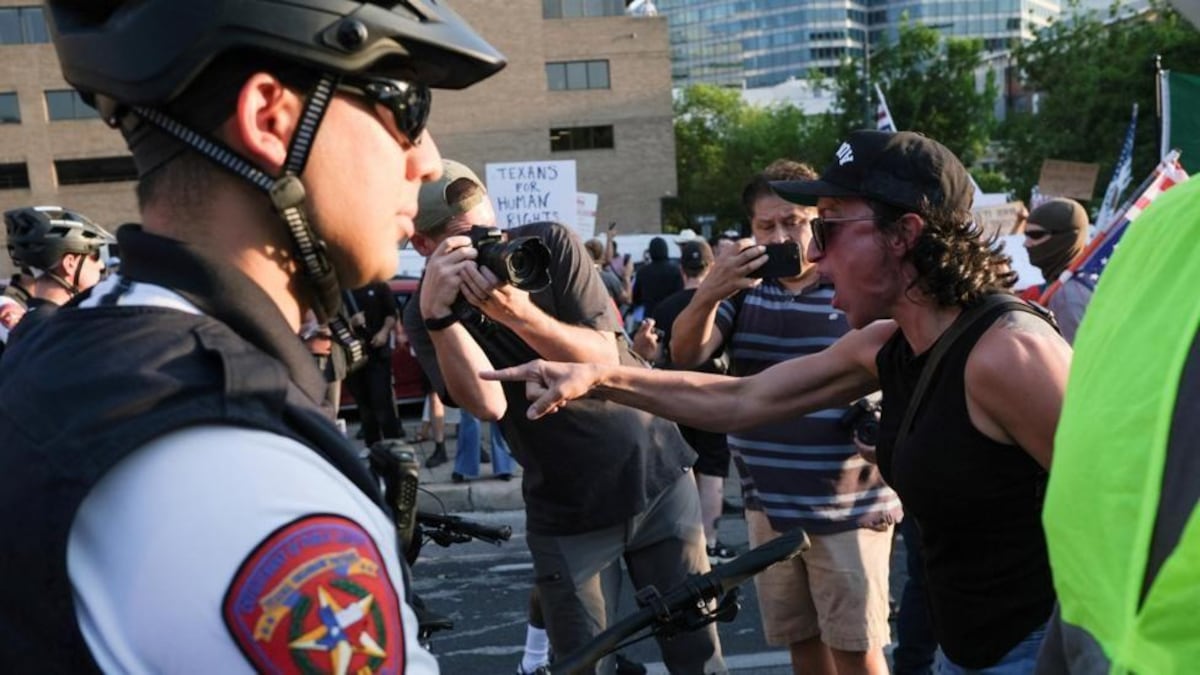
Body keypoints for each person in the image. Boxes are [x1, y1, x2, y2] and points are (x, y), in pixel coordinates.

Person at [0, 1, 505, 671]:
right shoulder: (249, 479)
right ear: (271, 118)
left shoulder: (72, 349)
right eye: (407, 107)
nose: (428, 162)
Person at [487, 130, 1072, 674]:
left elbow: (1119, 514)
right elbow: (743, 398)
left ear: (904, 234)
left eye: (827, 229)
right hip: (965, 649)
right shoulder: (887, 343)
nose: (812, 254)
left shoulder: (1006, 353)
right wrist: (599, 376)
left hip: (1037, 650)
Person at [403, 159, 723, 674]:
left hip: (657, 473)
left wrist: (517, 312)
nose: (490, 249)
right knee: (583, 664)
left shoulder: (547, 245)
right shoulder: (424, 311)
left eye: (491, 231)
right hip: (568, 509)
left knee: (698, 656)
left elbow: (603, 354)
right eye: (467, 241)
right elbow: (487, 404)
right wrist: (441, 320)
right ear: (424, 246)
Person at [667, 159, 900, 675]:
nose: (779, 237)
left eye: (793, 222)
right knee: (802, 646)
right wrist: (711, 290)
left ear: (819, 219)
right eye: (765, 225)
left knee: (857, 650)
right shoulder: (744, 291)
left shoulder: (852, 284)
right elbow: (687, 354)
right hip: (768, 505)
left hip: (850, 506)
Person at [1035, 176, 1200, 673]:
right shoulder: (1165, 220)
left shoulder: (1162, 217)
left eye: (1038, 236)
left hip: (1093, 625)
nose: (1028, 244)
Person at [640, 239, 738, 565]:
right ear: (710, 268)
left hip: (676, 395)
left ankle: (689, 542)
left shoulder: (666, 307)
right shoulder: (724, 304)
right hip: (717, 395)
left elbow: (657, 355)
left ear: (682, 270)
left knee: (684, 467)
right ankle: (709, 542)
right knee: (713, 471)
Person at [3, 206, 115, 344]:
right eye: (96, 255)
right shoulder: (68, 330)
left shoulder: (25, 326)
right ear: (70, 263)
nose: (101, 265)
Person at [345, 280, 406, 445]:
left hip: (378, 354)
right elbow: (333, 319)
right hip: (354, 355)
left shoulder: (378, 284)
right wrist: (351, 323)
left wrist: (384, 333)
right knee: (364, 405)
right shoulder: (344, 287)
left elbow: (391, 313)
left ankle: (393, 443)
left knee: (382, 401)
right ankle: (372, 445)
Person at [1025, 198, 1093, 343]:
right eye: (1026, 235)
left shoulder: (1067, 296)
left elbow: (1072, 355)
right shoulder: (1075, 284)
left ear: (1067, 237)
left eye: (1036, 235)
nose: (1026, 244)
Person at [631, 235, 682, 317]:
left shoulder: (643, 272)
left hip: (650, 315)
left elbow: (636, 298)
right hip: (671, 314)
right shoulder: (675, 271)